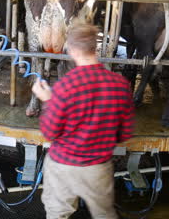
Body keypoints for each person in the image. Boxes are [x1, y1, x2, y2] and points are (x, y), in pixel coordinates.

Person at [32, 23, 135, 219]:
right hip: (98, 167)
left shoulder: (65, 86)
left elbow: (50, 132)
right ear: (95, 48)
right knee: (105, 215)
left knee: (57, 214)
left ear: (71, 49)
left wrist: (47, 100)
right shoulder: (120, 85)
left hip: (63, 165)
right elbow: (125, 134)